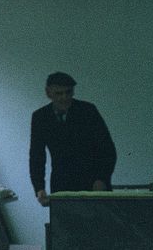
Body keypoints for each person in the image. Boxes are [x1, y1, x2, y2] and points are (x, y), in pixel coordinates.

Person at [29, 71, 117, 206]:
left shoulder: (88, 111)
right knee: (65, 226)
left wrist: (101, 179)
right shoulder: (40, 117)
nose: (64, 97)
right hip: (62, 185)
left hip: (94, 183)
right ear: (48, 93)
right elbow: (37, 156)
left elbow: (107, 150)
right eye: (59, 93)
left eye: (68, 92)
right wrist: (39, 188)